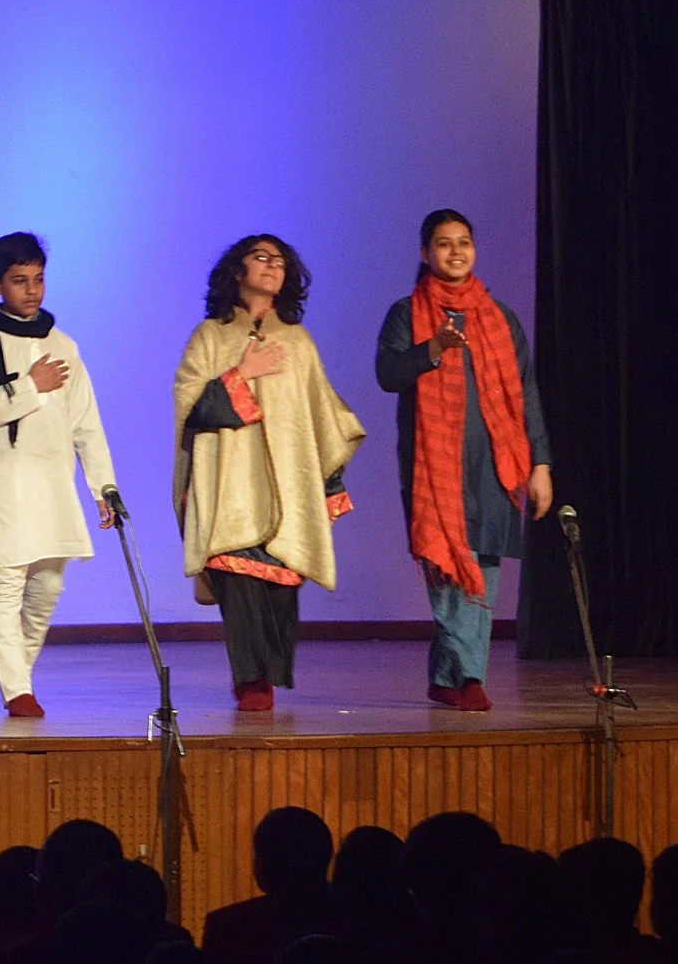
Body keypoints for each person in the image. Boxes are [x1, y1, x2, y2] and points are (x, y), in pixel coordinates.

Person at [174, 235, 363, 712]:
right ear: (237, 271)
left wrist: (329, 485)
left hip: (286, 489)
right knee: (239, 587)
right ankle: (249, 678)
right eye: (261, 258)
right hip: (230, 489)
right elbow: (188, 404)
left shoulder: (297, 343)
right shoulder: (210, 336)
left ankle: (270, 675)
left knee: (279, 587)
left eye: (279, 261)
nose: (272, 266)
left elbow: (322, 416)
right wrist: (240, 373)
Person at [374, 209, 552, 712]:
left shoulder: (499, 317)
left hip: (494, 463)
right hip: (434, 466)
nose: (456, 252)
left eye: (464, 243)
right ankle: (471, 675)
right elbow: (388, 374)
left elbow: (526, 395)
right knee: (445, 561)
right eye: (444, 244)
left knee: (485, 564)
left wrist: (540, 463)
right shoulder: (406, 314)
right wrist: (432, 347)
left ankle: (448, 675)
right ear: (425, 253)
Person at [0, 232, 116, 718]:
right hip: (4, 485)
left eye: (38, 280)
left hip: (52, 484)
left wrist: (102, 487)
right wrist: (30, 385)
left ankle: (17, 672)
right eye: (19, 281)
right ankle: (17, 691)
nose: (31, 290)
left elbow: (86, 420)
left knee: (47, 589)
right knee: (4, 588)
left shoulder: (63, 343)